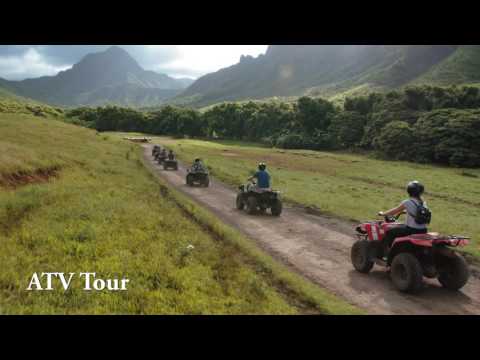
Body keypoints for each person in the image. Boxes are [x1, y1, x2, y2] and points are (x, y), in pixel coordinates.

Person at [379, 181, 429, 251]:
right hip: (423, 230)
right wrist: (407, 211)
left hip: (411, 230)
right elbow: (419, 212)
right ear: (421, 192)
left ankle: (389, 251)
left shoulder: (408, 202)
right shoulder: (423, 202)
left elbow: (394, 211)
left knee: (389, 232)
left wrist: (383, 213)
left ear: (409, 191)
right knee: (401, 227)